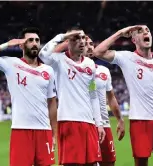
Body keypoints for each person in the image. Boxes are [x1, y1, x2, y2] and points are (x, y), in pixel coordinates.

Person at [93, 25, 153, 166]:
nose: (146, 32)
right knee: (141, 162)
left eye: (148, 30)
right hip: (140, 120)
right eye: (140, 31)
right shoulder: (127, 57)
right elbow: (98, 52)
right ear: (133, 39)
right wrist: (121, 33)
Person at [0, 27, 57, 166]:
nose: (35, 43)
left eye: (37, 40)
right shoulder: (11, 63)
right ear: (21, 45)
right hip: (21, 130)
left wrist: (54, 133)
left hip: (44, 131)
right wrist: (6, 45)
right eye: (30, 40)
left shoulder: (48, 70)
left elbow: (52, 102)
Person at [54, 35, 126, 166]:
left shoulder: (103, 71)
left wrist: (120, 119)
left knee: (108, 162)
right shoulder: (67, 65)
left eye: (91, 43)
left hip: (102, 124)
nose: (89, 46)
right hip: (81, 122)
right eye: (86, 43)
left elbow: (110, 97)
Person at [38, 28, 106, 166]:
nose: (81, 41)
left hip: (89, 123)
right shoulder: (58, 60)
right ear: (68, 41)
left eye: (82, 38)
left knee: (93, 163)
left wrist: (99, 123)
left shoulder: (90, 64)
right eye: (76, 39)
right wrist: (62, 36)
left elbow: (93, 95)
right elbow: (42, 54)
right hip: (68, 121)